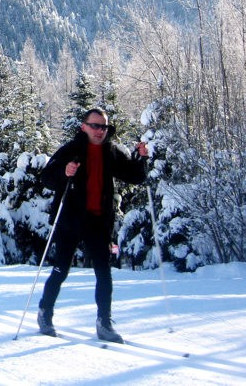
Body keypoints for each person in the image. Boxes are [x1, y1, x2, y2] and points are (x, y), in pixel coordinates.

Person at [36, 108, 148, 344]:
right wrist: (65, 173)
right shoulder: (71, 150)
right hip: (70, 220)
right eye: (95, 126)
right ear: (83, 126)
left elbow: (135, 177)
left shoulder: (112, 151)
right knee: (61, 270)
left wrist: (141, 158)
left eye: (104, 127)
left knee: (103, 273)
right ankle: (45, 313)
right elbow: (46, 177)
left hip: (98, 220)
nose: (100, 131)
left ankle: (104, 323)